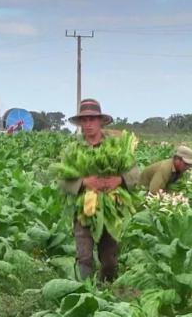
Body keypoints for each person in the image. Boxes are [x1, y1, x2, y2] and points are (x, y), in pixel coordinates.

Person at [58, 98, 140, 282]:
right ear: (80, 123)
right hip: (83, 211)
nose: (88, 124)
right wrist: (85, 182)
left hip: (110, 210)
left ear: (101, 121)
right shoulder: (73, 149)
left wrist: (118, 180)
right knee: (84, 257)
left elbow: (135, 174)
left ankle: (107, 292)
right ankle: (84, 294)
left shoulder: (116, 147)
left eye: (92, 119)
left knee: (109, 259)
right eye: (84, 120)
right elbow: (62, 181)